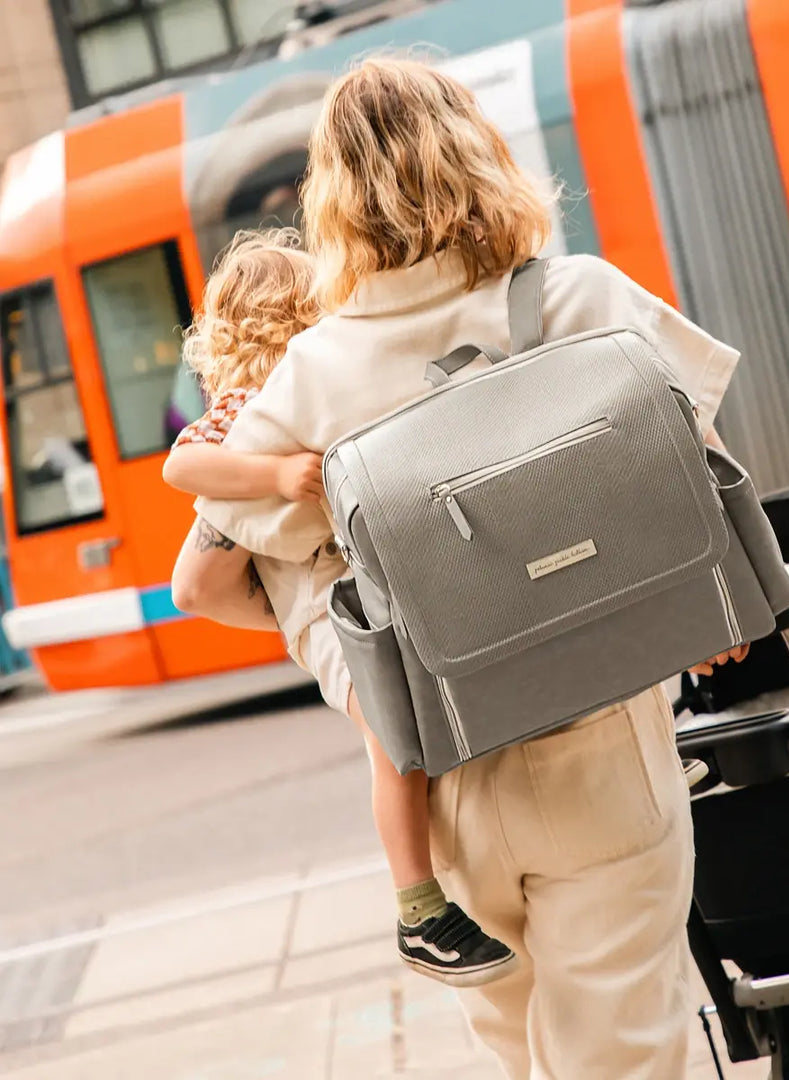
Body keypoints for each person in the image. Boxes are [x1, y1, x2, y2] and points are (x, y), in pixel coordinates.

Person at [172, 58, 745, 1078]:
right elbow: (698, 473)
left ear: (335, 200)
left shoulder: (315, 372)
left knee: (511, 1052)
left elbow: (216, 574)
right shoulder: (581, 298)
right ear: (476, 150)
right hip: (604, 743)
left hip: (446, 771)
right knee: (624, 1049)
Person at [165, 227, 519, 988]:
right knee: (392, 738)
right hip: (326, 606)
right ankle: (418, 907)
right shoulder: (246, 405)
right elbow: (181, 463)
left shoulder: (308, 387)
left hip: (356, 592)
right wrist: (277, 473)